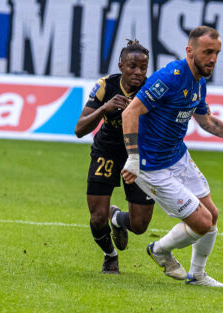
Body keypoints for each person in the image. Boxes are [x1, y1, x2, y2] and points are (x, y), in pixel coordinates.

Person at [120, 26, 223, 287]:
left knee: (212, 214)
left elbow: (207, 122)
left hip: (177, 156)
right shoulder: (169, 78)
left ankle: (197, 275)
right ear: (189, 51)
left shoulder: (199, 82)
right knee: (201, 222)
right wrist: (133, 158)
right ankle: (159, 251)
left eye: (217, 53)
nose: (213, 58)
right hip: (151, 166)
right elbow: (129, 113)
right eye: (208, 52)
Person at [74, 40, 155, 274]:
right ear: (121, 65)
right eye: (132, 66)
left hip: (138, 153)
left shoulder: (153, 91)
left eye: (143, 67)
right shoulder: (104, 86)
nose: (138, 72)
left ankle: (118, 219)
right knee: (98, 217)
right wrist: (104, 108)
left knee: (139, 225)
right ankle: (110, 255)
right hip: (107, 149)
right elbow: (79, 130)